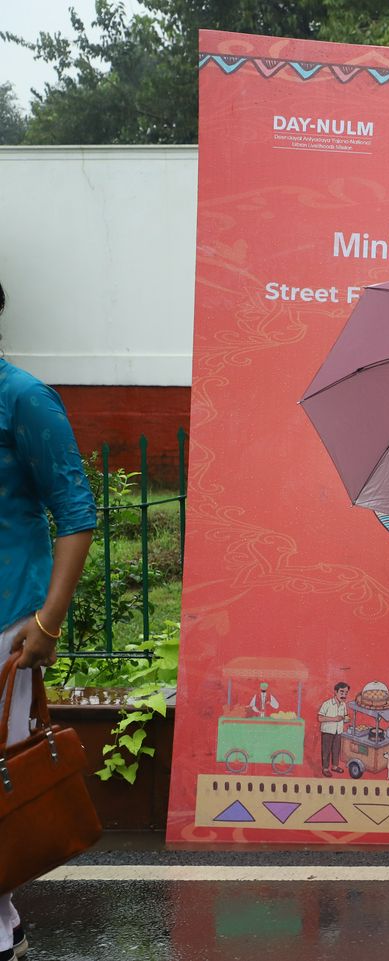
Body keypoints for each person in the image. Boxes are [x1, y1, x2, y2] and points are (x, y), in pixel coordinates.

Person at [0, 280, 98, 961]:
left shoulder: (25, 399)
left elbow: (76, 510)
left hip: (7, 618)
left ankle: (2, 924)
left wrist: (49, 621)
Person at [316, 681, 351, 776]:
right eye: (342, 692)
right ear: (335, 692)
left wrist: (347, 719)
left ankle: (335, 766)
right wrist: (334, 719)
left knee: (336, 750)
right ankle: (325, 768)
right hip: (327, 731)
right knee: (326, 751)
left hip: (338, 731)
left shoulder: (343, 705)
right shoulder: (327, 704)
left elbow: (345, 716)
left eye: (346, 693)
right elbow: (320, 718)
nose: (344, 695)